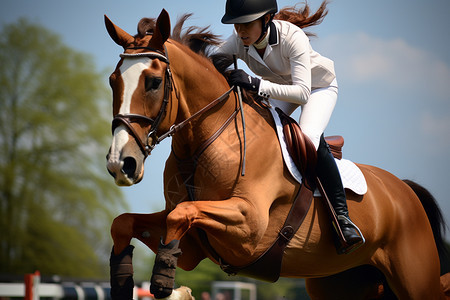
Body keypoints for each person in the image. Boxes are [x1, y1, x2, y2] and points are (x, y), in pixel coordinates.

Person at [216, 0, 364, 252]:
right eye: (237, 25)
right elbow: (207, 64)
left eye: (247, 24)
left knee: (308, 138)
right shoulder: (238, 41)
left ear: (266, 19)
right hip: (281, 89)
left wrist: (255, 84)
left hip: (317, 87)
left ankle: (342, 218)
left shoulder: (291, 37)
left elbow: (302, 93)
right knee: (255, 130)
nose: (240, 31)